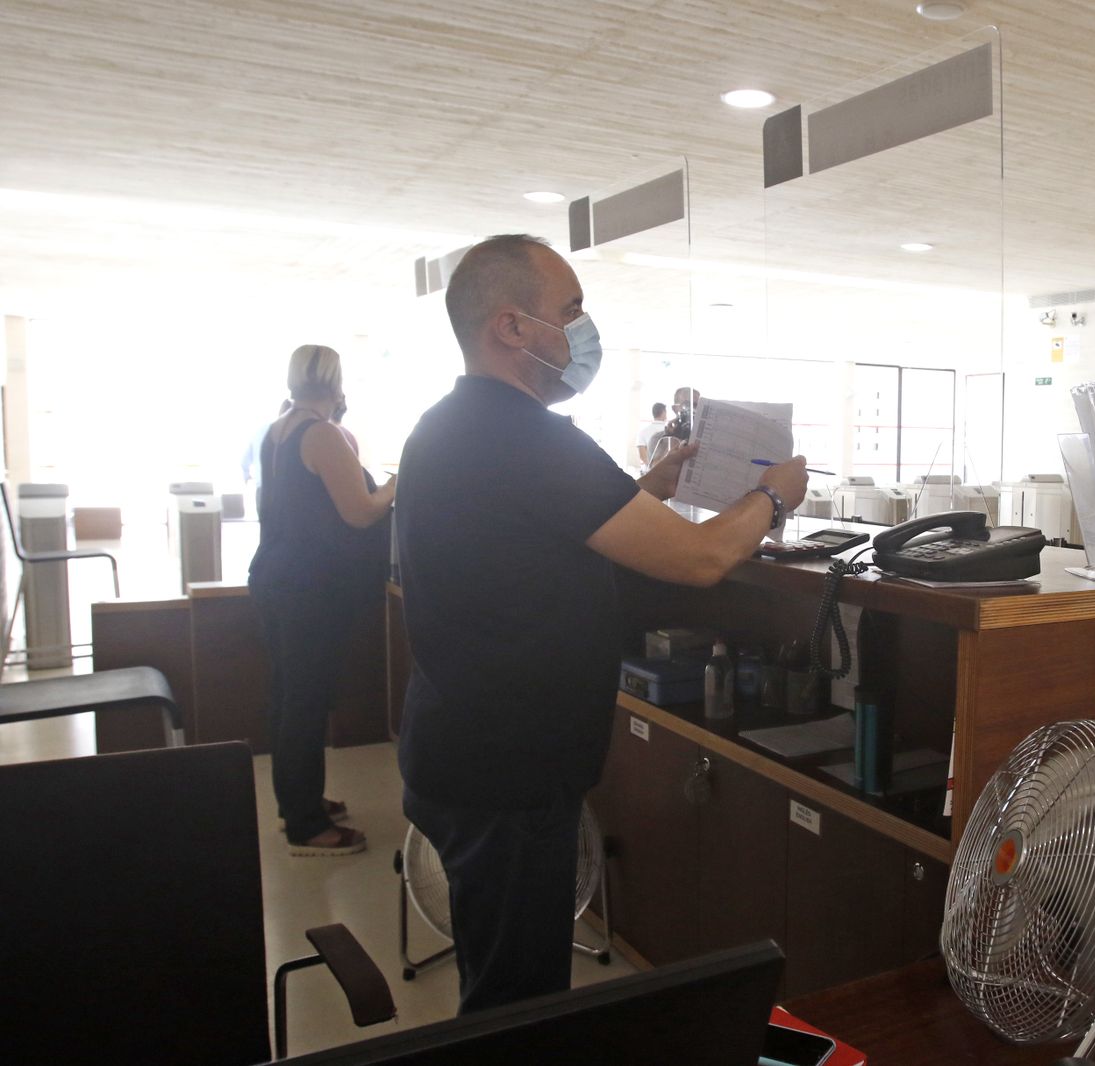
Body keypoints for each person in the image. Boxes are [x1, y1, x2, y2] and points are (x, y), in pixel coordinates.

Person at [395, 233, 807, 1014]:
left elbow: (535, 531)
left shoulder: (449, 426)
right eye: (572, 310)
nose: (583, 331)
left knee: (499, 975)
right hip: (508, 773)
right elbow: (701, 558)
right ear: (511, 327)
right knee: (517, 1006)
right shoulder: (528, 438)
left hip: (459, 747)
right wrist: (774, 494)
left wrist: (651, 485)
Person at [248, 344, 396, 856]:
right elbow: (360, 511)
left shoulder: (279, 430)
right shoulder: (323, 434)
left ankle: (297, 800)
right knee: (306, 700)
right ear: (337, 382)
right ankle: (307, 827)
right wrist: (396, 484)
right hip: (308, 588)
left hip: (275, 576)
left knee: (290, 695)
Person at [635, 401, 667, 467]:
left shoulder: (643, 432)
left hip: (650, 470)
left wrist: (651, 467)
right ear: (664, 413)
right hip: (667, 468)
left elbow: (642, 455)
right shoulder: (669, 431)